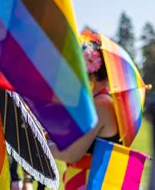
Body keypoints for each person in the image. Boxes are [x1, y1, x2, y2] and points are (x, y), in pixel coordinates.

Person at [49, 29, 120, 189]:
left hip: (90, 183)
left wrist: (40, 147)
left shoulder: (102, 104)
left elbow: (73, 153)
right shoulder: (99, 100)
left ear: (91, 71)